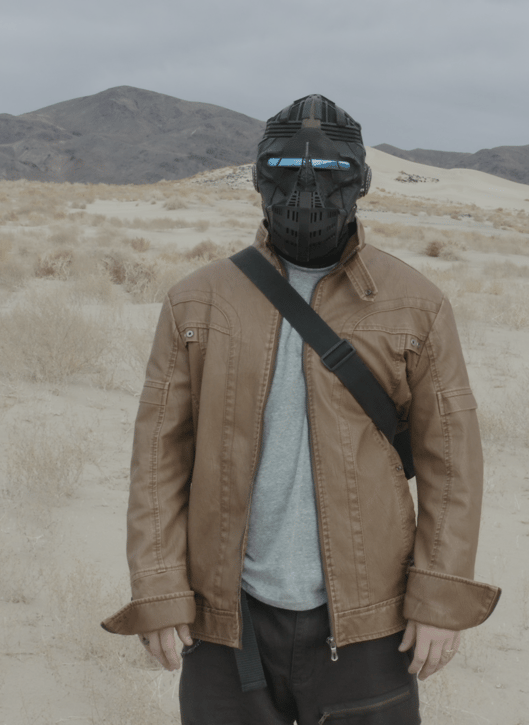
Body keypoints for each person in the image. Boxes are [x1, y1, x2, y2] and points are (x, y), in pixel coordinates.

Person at [102, 94, 501, 724]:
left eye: (332, 169)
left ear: (361, 181)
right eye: (286, 167)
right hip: (227, 616)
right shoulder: (195, 302)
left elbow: (451, 464)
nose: (306, 187)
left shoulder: (416, 305)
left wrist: (440, 598)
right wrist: (158, 587)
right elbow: (158, 459)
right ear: (259, 177)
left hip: (370, 619)